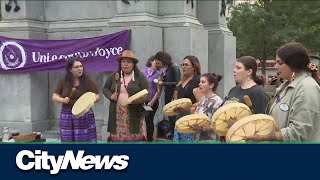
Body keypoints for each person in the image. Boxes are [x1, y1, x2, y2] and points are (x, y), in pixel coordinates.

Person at [246, 42, 320, 142]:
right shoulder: (285, 86)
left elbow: (300, 132)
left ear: (293, 63)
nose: (276, 66)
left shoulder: (307, 88)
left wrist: (263, 137)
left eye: (280, 63)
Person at [103, 50, 149, 142]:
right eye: (123, 62)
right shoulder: (114, 76)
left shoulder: (140, 77)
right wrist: (111, 96)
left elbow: (147, 93)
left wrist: (138, 100)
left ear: (133, 64)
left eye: (129, 62)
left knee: (133, 136)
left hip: (134, 113)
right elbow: (105, 89)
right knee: (118, 138)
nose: (126, 64)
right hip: (117, 113)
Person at [52, 57, 99, 142]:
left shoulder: (88, 81)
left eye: (81, 66)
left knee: (85, 140)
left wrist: (89, 103)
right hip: (67, 115)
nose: (80, 69)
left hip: (84, 114)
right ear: (70, 69)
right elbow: (54, 96)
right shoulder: (63, 81)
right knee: (68, 141)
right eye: (77, 67)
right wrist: (62, 100)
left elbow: (97, 96)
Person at [186, 73, 224, 142]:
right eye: (200, 82)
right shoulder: (202, 99)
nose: (199, 84)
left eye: (203, 82)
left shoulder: (217, 101)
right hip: (198, 139)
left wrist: (202, 129)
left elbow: (220, 123)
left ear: (211, 85)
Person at [173, 55, 202, 142]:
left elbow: (201, 102)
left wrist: (187, 108)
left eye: (186, 65)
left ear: (194, 67)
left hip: (191, 117)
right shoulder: (181, 81)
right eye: (183, 65)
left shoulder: (198, 81)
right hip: (179, 117)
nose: (184, 67)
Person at [154, 51, 181, 138]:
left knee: (173, 117)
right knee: (169, 116)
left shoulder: (174, 67)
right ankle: (172, 133)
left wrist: (163, 83)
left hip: (173, 96)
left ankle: (175, 134)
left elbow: (177, 83)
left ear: (163, 60)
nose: (158, 65)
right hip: (168, 95)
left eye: (158, 63)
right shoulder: (166, 69)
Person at [141, 56, 161, 141]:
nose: (156, 65)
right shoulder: (143, 71)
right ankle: (142, 137)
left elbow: (158, 91)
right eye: (155, 62)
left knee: (149, 119)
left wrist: (152, 102)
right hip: (142, 100)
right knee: (142, 119)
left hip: (152, 101)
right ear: (151, 61)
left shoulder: (158, 74)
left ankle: (149, 139)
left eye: (158, 64)